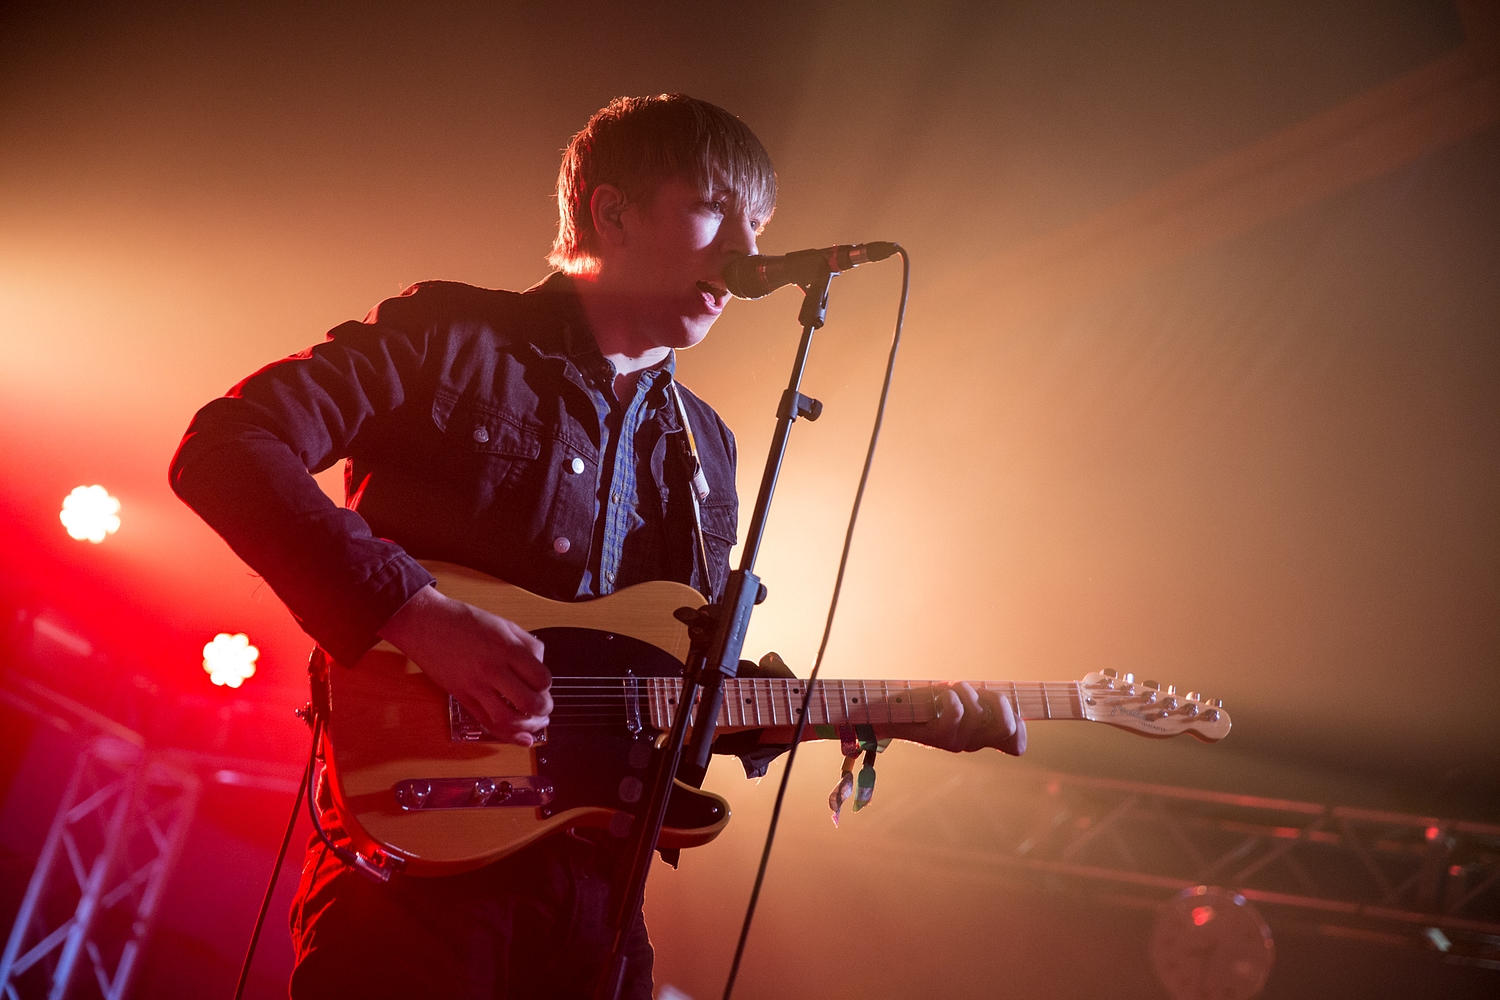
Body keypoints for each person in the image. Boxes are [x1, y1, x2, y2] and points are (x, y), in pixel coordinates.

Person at [170, 94, 1025, 1000]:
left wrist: (884, 712)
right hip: (414, 882)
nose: (745, 252)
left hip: (600, 905)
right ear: (611, 211)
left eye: (761, 225)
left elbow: (673, 689)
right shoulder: (448, 337)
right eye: (714, 208)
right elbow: (226, 447)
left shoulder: (706, 448)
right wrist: (416, 614)